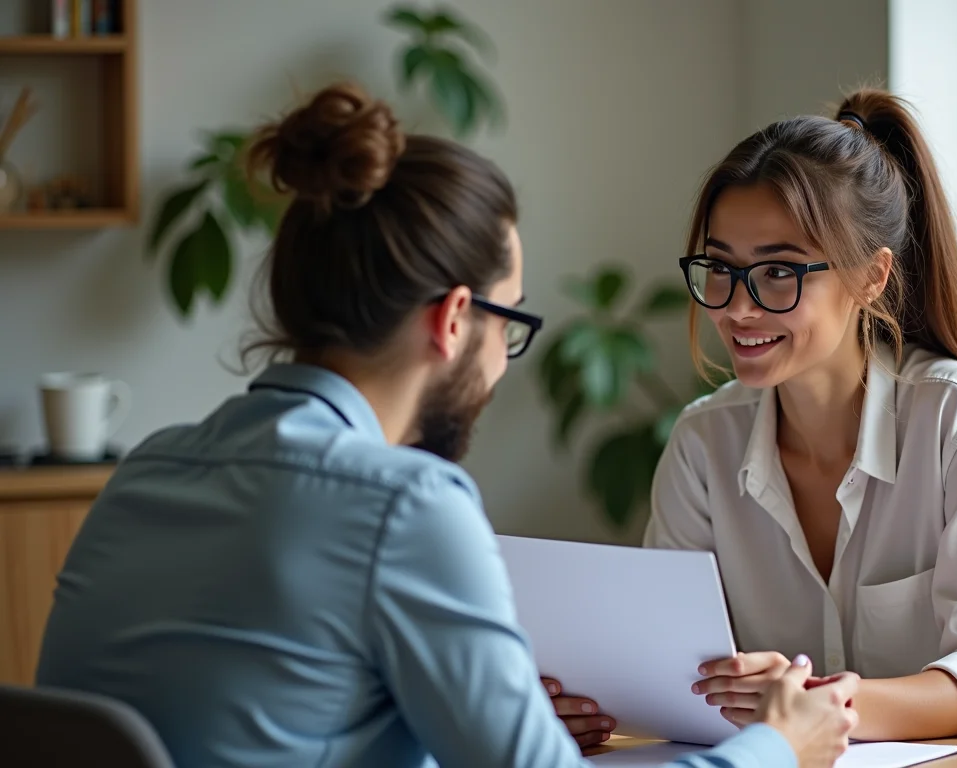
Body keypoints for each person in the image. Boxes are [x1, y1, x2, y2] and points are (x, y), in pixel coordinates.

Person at [34, 82, 860, 768]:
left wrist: (493, 723)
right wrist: (779, 748)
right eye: (509, 325)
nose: (501, 365)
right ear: (455, 320)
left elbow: (275, 719)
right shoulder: (404, 503)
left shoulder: (146, 471)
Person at [643, 88, 957, 742]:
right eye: (721, 267)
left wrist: (820, 705)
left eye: (778, 272)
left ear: (871, 276)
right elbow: (670, 666)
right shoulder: (702, 445)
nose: (737, 307)